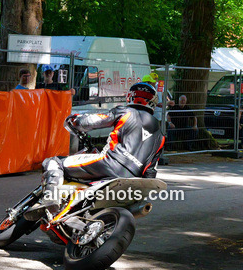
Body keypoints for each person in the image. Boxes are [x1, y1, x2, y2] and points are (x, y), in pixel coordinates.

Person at [35, 82, 165, 211]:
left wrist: (77, 120)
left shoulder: (125, 111)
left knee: (54, 161)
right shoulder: (161, 136)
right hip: (133, 179)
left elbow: (94, 121)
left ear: (130, 97)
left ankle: (50, 197)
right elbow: (150, 172)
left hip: (109, 164)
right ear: (153, 102)